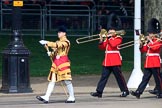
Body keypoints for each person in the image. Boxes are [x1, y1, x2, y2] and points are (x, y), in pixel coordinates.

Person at [90, 13, 129, 98]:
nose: (110, 31)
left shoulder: (118, 38)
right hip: (107, 61)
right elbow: (102, 47)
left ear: (116, 30)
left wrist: (108, 38)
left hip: (115, 60)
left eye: (112, 29)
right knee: (104, 77)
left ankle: (125, 91)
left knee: (119, 77)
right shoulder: (108, 38)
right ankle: (99, 91)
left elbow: (113, 45)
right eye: (110, 29)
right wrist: (101, 40)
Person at [36, 25, 75, 103]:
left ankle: (72, 97)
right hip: (56, 63)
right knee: (52, 80)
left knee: (67, 80)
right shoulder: (58, 41)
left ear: (64, 33)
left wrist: (47, 42)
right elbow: (55, 52)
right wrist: (50, 53)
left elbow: (57, 45)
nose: (58, 33)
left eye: (60, 32)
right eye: (58, 32)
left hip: (63, 63)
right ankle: (46, 97)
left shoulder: (66, 42)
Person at [130, 18, 162, 99]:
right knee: (145, 79)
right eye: (149, 33)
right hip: (148, 63)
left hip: (155, 62)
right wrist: (141, 44)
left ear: (154, 33)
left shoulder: (158, 40)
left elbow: (154, 48)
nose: (149, 34)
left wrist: (149, 41)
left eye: (151, 33)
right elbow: (143, 50)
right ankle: (138, 92)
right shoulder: (150, 41)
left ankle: (160, 92)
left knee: (157, 79)